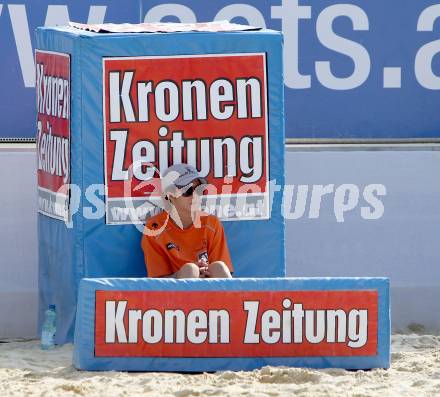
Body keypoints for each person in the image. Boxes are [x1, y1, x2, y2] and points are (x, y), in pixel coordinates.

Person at [141, 163, 233, 279]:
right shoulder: (154, 228)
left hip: (209, 288)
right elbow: (157, 281)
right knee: (190, 270)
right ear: (170, 195)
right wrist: (187, 273)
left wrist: (202, 273)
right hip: (174, 293)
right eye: (188, 190)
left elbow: (221, 272)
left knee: (219, 267)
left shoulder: (212, 223)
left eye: (198, 190)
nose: (195, 195)